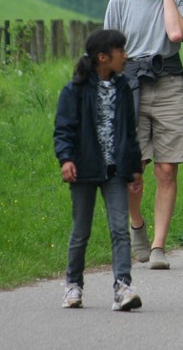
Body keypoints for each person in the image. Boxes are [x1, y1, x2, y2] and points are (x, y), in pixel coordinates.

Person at [104, 0, 183, 271]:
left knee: (167, 168)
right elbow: (108, 52)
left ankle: (159, 245)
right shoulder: (119, 1)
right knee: (134, 169)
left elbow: (176, 35)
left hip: (169, 83)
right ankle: (137, 225)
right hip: (130, 85)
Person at [53, 29, 143, 311]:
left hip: (115, 171)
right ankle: (73, 285)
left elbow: (129, 132)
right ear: (103, 57)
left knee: (120, 229)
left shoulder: (124, 88)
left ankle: (122, 288)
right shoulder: (75, 90)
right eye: (121, 51)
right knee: (81, 231)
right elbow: (63, 130)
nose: (125, 55)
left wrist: (135, 168)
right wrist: (66, 159)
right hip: (84, 169)